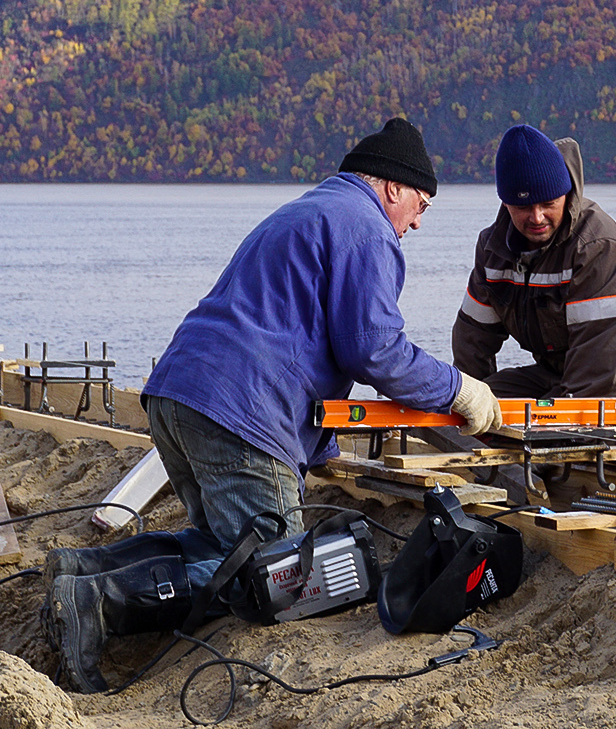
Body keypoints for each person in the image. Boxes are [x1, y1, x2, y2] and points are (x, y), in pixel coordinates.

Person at [46, 118, 503, 691]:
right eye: (420, 206)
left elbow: (291, 333)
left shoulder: (309, 210)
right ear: (393, 188)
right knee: (275, 572)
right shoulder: (366, 229)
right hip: (239, 413)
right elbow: (375, 349)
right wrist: (460, 389)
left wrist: (318, 446)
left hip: (178, 393)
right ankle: (99, 603)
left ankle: (81, 570)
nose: (416, 222)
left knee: (223, 545)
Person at [452, 124, 616, 402]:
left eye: (548, 203)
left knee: (556, 427)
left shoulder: (597, 245)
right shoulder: (492, 249)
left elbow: (593, 369)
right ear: (505, 203)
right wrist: (468, 410)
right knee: (471, 402)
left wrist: (558, 421)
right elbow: (472, 341)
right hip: (559, 372)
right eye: (523, 207)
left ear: (565, 194)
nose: (537, 217)